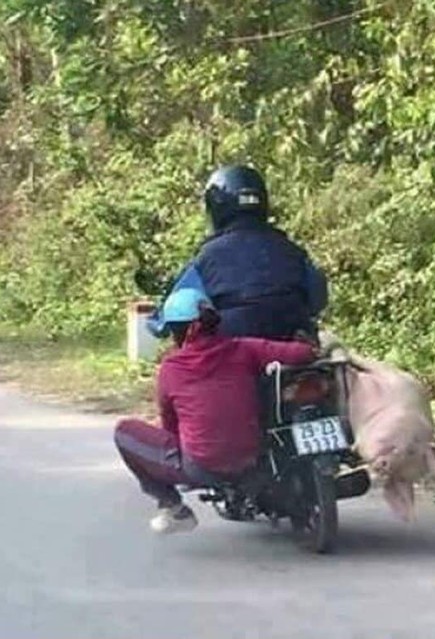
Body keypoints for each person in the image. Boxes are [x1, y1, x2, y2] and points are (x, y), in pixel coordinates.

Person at [115, 288, 316, 534]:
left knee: (124, 432)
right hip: (253, 459)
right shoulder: (244, 348)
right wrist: (312, 343)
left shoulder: (171, 368)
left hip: (201, 468)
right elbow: (302, 353)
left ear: (179, 331)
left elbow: (170, 424)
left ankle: (174, 508)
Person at [146, 164, 328, 341]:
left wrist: (157, 323)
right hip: (295, 348)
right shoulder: (293, 251)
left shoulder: (207, 257)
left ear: (215, 207)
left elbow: (168, 316)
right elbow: (319, 300)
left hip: (231, 354)